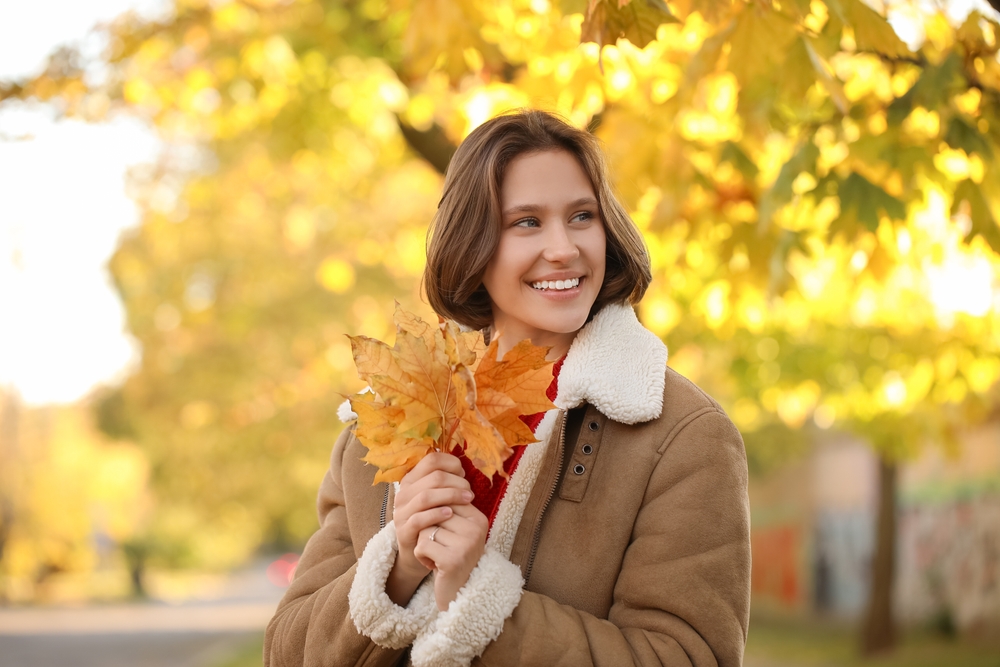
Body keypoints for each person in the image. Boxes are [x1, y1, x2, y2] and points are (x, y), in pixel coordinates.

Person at [265, 109, 751, 667]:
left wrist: (480, 600)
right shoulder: (381, 430)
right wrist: (398, 566)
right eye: (526, 222)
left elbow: (688, 657)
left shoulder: (682, 438)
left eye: (582, 216)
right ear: (473, 246)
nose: (563, 248)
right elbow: (286, 653)